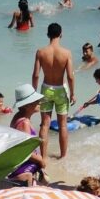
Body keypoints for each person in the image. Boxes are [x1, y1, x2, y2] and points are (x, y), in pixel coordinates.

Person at [32, 22, 75, 162]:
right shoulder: (66, 53)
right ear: (61, 34)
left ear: (48, 35)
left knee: (45, 124)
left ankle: (43, 157)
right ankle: (63, 157)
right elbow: (70, 76)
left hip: (46, 89)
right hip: (61, 91)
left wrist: (34, 92)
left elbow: (36, 75)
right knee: (63, 124)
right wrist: (73, 93)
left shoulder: (41, 52)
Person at [7, 85, 46, 186]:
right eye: (36, 101)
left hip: (18, 165)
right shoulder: (24, 123)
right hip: (22, 169)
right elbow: (25, 152)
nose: (39, 102)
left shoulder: (18, 116)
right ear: (27, 105)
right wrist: (41, 160)